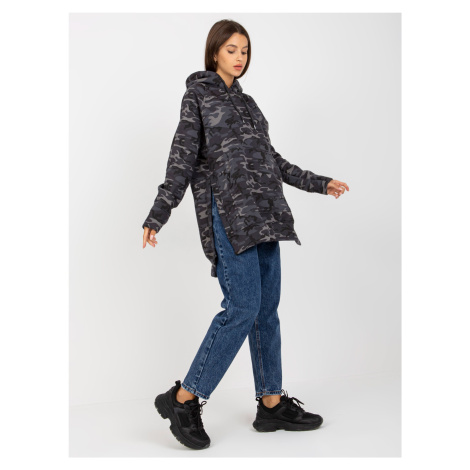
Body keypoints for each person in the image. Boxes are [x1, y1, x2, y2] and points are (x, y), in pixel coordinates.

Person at [142, 19, 349, 450]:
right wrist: (158, 214)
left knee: (265, 310)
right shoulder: (198, 96)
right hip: (230, 217)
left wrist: (319, 182)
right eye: (232, 49)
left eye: (245, 51)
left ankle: (271, 403)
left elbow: (272, 161)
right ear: (215, 52)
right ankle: (184, 398)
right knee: (242, 307)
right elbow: (181, 159)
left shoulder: (249, 104)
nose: (240, 57)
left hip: (267, 216)